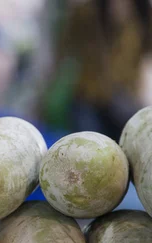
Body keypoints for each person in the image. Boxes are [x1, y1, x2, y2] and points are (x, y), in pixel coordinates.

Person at [47, 0, 152, 141]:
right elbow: (63, 51)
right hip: (88, 97)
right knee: (88, 145)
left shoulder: (143, 14)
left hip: (124, 99)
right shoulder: (85, 13)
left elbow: (146, 52)